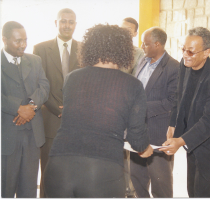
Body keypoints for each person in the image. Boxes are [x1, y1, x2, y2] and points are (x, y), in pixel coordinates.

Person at [43, 24, 153, 198]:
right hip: (102, 172)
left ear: (89, 47)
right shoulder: (132, 85)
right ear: (124, 50)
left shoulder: (72, 78)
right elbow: (137, 137)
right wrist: (146, 149)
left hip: (58, 167)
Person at [159, 27, 210, 197]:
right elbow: (179, 97)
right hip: (192, 142)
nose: (185, 55)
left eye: (191, 51)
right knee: (192, 191)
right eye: (183, 49)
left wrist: (181, 140)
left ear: (207, 52)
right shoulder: (185, 66)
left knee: (202, 193)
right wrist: (172, 123)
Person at [32, 8, 80, 197]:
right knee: (49, 171)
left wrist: (73, 108)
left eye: (71, 22)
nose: (67, 25)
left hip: (77, 122)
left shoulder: (84, 48)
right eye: (63, 21)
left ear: (75, 25)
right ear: (56, 23)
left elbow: (86, 83)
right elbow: (39, 83)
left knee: (74, 173)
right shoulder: (40, 49)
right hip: (51, 119)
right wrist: (57, 109)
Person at [1, 21, 50, 197]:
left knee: (29, 189)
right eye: (17, 41)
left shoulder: (35, 60)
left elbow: (44, 86)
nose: (23, 45)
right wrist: (18, 108)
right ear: (4, 39)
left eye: (25, 40)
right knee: (5, 188)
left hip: (32, 136)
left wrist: (30, 106)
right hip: (6, 136)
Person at [130, 27, 179, 198]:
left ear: (157, 44)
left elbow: (173, 102)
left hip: (158, 134)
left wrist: (141, 106)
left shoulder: (173, 67)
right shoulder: (143, 60)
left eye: (146, 43)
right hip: (137, 132)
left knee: (161, 184)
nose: (142, 46)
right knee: (136, 179)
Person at [120, 17, 144, 198]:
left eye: (129, 30)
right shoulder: (112, 50)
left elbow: (136, 80)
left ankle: (130, 190)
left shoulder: (139, 54)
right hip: (111, 108)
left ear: (135, 33)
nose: (126, 33)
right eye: (123, 29)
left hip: (127, 107)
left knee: (129, 150)